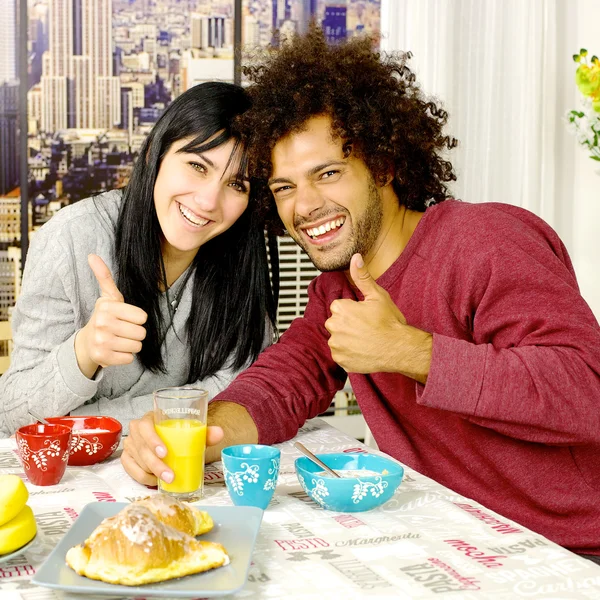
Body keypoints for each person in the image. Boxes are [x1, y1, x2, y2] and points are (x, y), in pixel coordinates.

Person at [123, 29, 600, 559]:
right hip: (456, 542)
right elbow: (286, 383)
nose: (304, 206)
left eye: (327, 174)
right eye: (284, 188)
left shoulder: (485, 240)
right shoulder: (337, 289)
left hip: (570, 552)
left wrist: (411, 351)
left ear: (384, 165)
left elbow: (587, 390)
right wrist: (199, 431)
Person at [0, 82, 277, 449]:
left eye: (237, 185)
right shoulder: (72, 238)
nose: (209, 200)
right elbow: (11, 415)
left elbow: (241, 389)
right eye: (197, 165)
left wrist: (89, 420)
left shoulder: (239, 257)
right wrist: (83, 351)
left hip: (178, 468)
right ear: (154, 156)